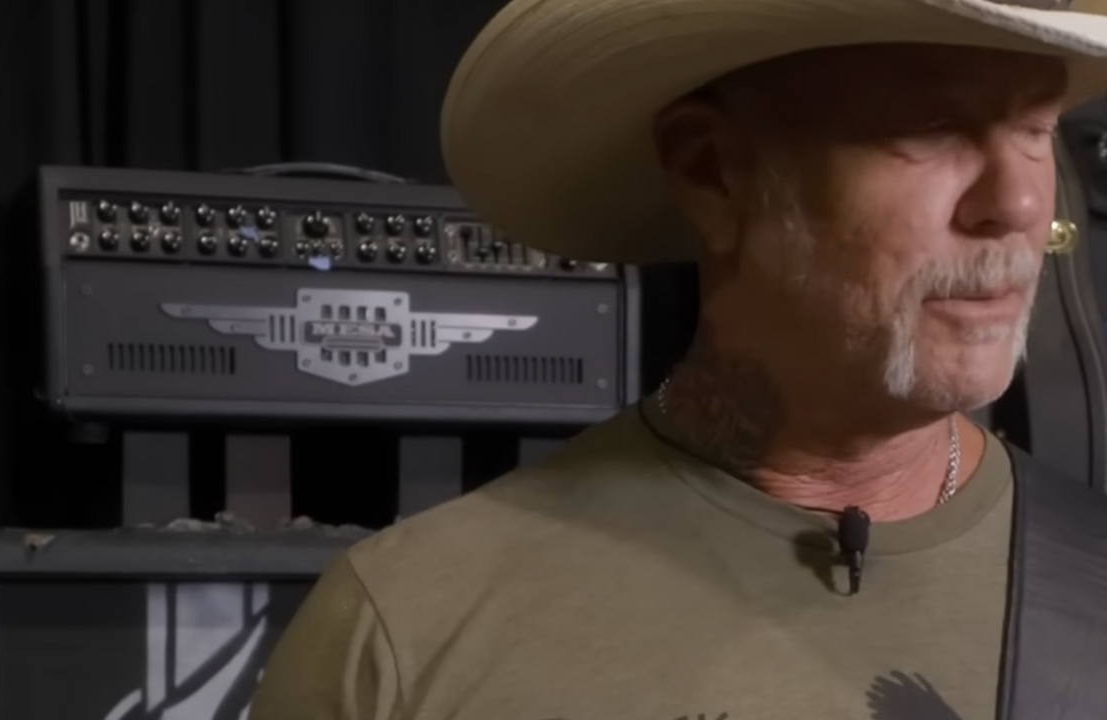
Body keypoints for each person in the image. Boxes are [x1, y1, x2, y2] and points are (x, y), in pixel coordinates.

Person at [250, 1, 1107, 718]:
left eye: (1036, 128)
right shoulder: (404, 632)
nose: (1017, 201)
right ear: (713, 172)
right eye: (933, 125)